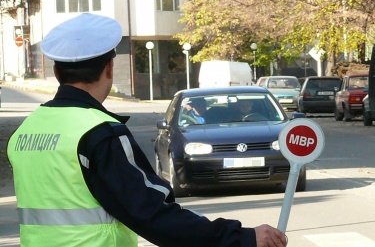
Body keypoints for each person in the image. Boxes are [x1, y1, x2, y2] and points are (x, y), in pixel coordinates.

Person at [7, 13, 287, 247]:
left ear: (56, 73)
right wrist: (244, 237)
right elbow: (153, 214)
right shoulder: (98, 131)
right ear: (109, 68)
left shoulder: (27, 130)